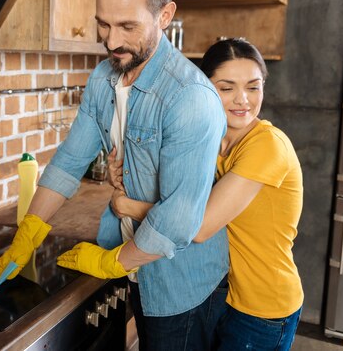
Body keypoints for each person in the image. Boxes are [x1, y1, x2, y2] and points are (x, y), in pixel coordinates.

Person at [0, 0, 228, 350]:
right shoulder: (103, 78)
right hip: (134, 266)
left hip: (182, 284)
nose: (111, 41)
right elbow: (70, 161)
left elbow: (179, 221)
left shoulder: (191, 98)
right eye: (103, 24)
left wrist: (111, 262)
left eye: (127, 25)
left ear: (164, 16)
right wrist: (27, 236)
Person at [109, 38, 304, 350]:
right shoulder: (215, 139)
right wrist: (118, 170)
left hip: (264, 307)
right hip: (227, 294)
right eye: (227, 88)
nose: (243, 100)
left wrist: (127, 205)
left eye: (253, 87)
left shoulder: (267, 146)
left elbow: (198, 227)